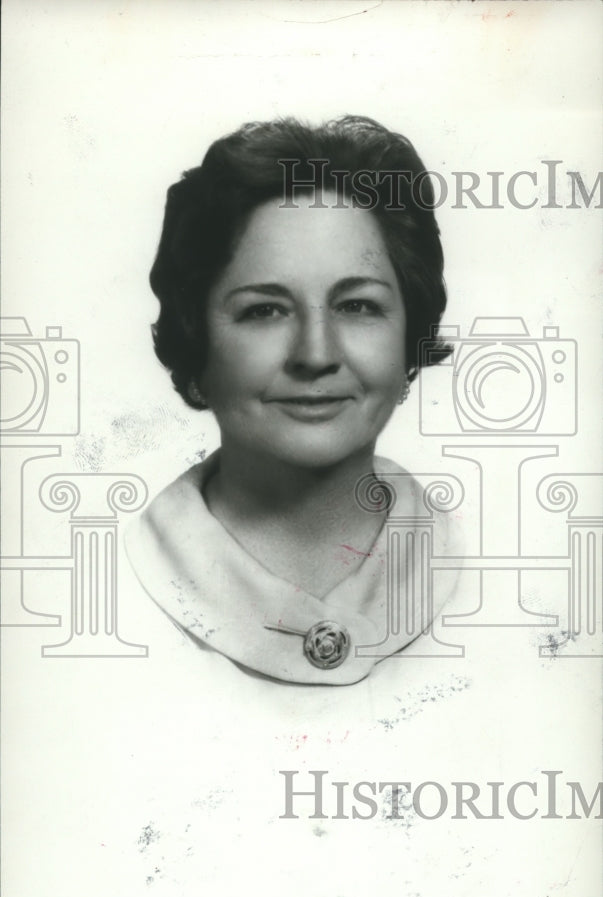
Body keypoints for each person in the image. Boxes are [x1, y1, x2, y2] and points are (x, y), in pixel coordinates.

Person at [125, 115, 460, 685]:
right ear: (197, 341)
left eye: (357, 305)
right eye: (264, 310)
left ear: (409, 340)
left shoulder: (523, 591)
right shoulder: (91, 597)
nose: (315, 353)